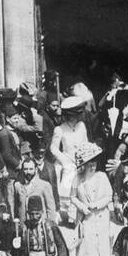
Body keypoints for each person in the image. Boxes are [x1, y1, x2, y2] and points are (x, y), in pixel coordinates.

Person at [70, 142, 112, 256]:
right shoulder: (78, 178)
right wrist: (82, 207)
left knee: (100, 245)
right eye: (89, 164)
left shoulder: (102, 177)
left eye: (94, 164)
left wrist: (97, 205)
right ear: (84, 165)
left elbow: (109, 196)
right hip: (86, 217)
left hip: (100, 216)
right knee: (88, 246)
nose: (93, 167)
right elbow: (73, 197)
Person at [51, 95, 89, 223]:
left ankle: (80, 214)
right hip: (67, 162)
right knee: (69, 183)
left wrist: (85, 158)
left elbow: (85, 143)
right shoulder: (60, 129)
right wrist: (65, 161)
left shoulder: (82, 126)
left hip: (82, 161)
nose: (77, 117)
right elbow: (53, 149)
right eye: (75, 115)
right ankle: (70, 215)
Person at [8, 154, 57, 225]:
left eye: (31, 169)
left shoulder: (45, 185)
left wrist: (50, 225)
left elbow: (51, 209)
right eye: (25, 169)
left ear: (36, 170)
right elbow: (15, 207)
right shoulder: (17, 186)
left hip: (40, 226)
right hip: (24, 226)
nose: (28, 172)